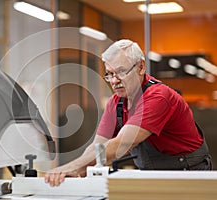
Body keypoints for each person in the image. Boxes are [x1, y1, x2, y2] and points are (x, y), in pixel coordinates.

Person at [44, 39, 212, 187]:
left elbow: (122, 144)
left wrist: (73, 167)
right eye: (109, 74)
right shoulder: (116, 102)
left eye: (121, 72)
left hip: (188, 177)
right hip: (153, 177)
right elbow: (98, 147)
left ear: (141, 67)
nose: (114, 81)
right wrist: (77, 171)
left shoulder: (159, 97)